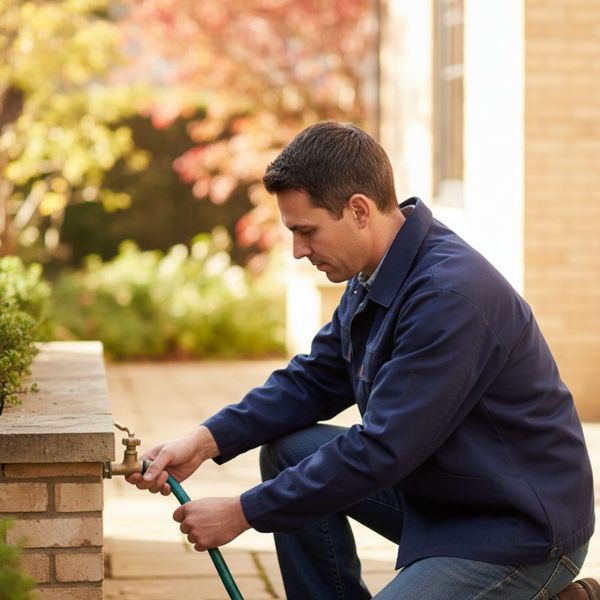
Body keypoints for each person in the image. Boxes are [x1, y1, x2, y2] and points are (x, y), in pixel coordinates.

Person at [127, 121, 598, 599]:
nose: (297, 251)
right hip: (442, 495)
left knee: (310, 473)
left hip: (516, 527)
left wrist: (242, 512)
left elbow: (380, 449)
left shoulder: (449, 296)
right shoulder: (377, 271)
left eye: (307, 231)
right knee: (289, 451)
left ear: (358, 210)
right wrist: (204, 440)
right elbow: (311, 381)